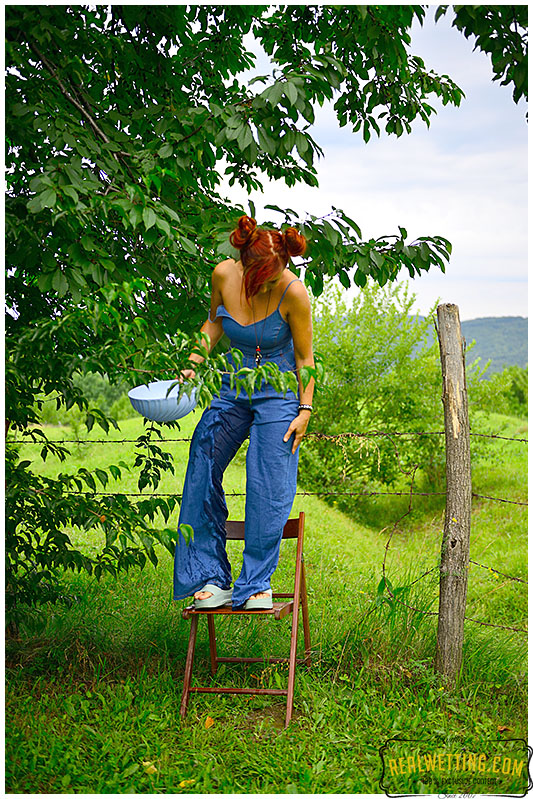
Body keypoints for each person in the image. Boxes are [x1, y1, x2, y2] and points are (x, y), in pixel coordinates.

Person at [173, 215, 314, 610]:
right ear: (245, 265)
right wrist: (194, 362)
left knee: (267, 479)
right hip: (232, 386)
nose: (271, 286)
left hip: (280, 393)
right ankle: (210, 576)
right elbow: (214, 324)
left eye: (276, 278)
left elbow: (305, 359)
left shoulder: (294, 293)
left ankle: (255, 584)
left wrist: (305, 409)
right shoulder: (222, 275)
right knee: (203, 455)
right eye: (265, 279)